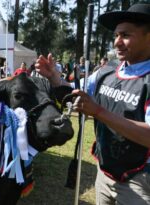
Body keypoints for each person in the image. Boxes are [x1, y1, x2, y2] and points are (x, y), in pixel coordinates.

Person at [36, 3, 150, 204]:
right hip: (104, 171)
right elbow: (75, 92)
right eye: (115, 35)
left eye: (125, 35)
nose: (117, 42)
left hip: (139, 180)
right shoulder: (107, 70)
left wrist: (98, 111)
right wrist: (55, 78)